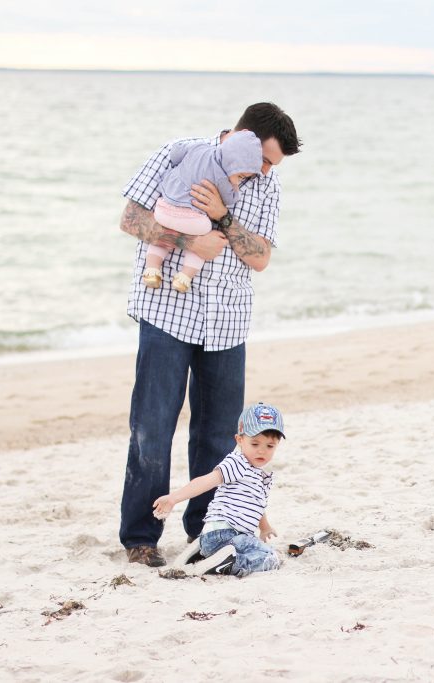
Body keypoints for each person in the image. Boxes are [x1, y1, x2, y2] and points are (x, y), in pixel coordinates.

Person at [118, 103, 301, 567]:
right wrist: (186, 242)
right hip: (167, 310)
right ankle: (141, 537)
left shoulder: (267, 184)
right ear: (242, 137)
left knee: (219, 435)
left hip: (229, 318)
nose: (263, 170)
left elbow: (259, 257)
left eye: (271, 165)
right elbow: (132, 221)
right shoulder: (179, 154)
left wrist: (222, 217)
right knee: (151, 428)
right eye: (263, 159)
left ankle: (205, 529)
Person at [153, 403, 285, 576]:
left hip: (217, 537)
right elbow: (206, 481)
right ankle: (222, 564)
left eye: (270, 446)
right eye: (255, 443)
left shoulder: (257, 474)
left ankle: (197, 553)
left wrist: (265, 527)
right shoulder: (238, 463)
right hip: (226, 535)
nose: (262, 451)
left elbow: (256, 504)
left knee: (257, 548)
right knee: (271, 557)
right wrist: (174, 498)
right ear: (239, 440)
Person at [144, 130, 263, 293]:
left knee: (165, 235)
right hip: (192, 221)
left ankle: (152, 270)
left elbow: (176, 152)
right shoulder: (222, 178)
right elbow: (230, 199)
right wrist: (234, 187)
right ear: (232, 163)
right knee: (207, 233)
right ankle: (185, 276)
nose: (239, 180)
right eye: (241, 176)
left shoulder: (199, 147)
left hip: (163, 208)